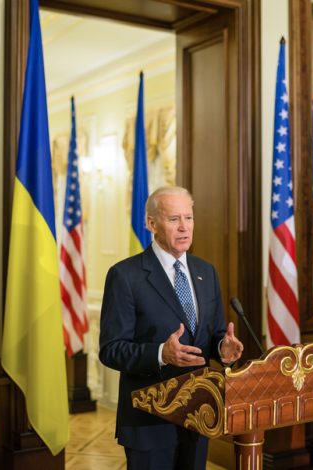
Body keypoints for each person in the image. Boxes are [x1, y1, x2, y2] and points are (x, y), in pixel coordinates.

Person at [99, 186, 244, 470]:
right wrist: (161, 354)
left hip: (198, 416)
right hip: (149, 422)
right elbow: (111, 350)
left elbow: (212, 333)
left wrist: (222, 347)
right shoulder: (125, 276)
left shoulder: (206, 271)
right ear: (151, 224)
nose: (184, 227)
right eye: (173, 219)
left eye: (188, 218)